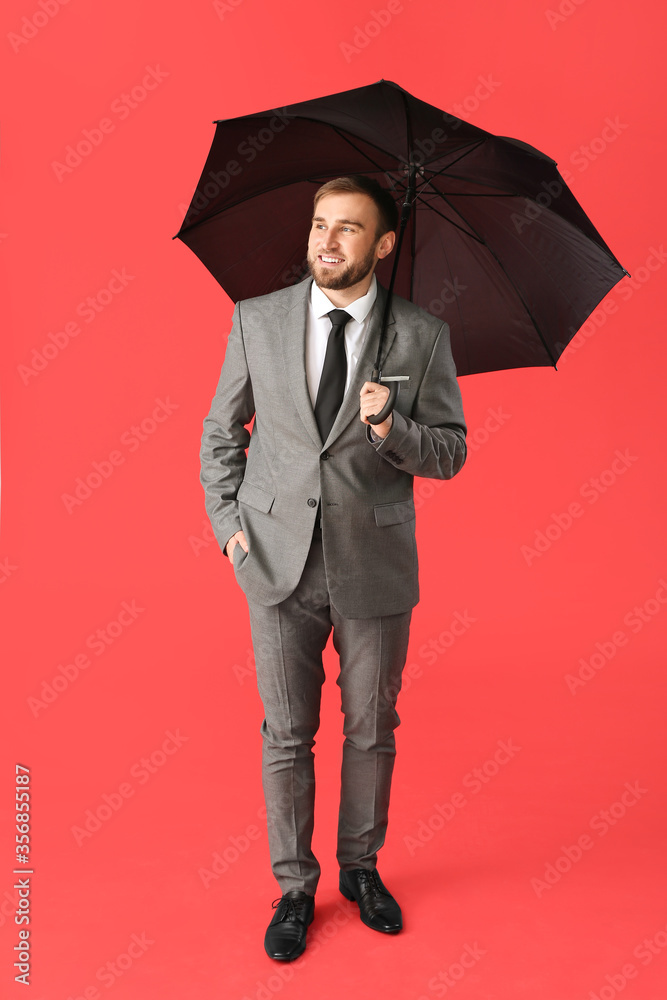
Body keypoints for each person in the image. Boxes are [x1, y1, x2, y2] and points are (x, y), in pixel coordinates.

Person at [200, 175, 467, 961]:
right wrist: (228, 532)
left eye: (349, 229)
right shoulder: (257, 320)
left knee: (370, 727)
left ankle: (360, 868)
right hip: (274, 561)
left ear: (383, 245)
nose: (327, 240)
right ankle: (293, 886)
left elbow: (449, 451)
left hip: (375, 565)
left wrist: (392, 428)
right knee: (286, 732)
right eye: (320, 224)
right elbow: (221, 434)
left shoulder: (420, 336)